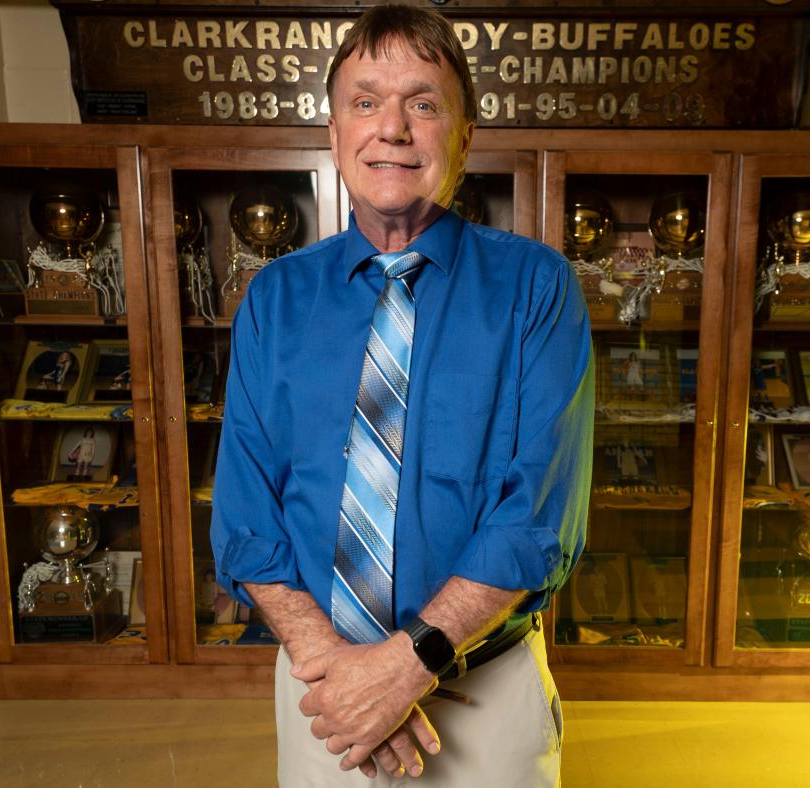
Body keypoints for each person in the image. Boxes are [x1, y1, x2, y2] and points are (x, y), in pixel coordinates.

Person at [211, 6, 594, 786]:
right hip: (324, 695)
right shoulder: (275, 299)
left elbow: (535, 520)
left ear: (464, 133)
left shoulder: (537, 287)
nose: (392, 128)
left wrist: (407, 664)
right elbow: (247, 515)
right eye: (365, 101)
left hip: (482, 692)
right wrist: (344, 676)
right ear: (335, 130)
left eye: (422, 103)